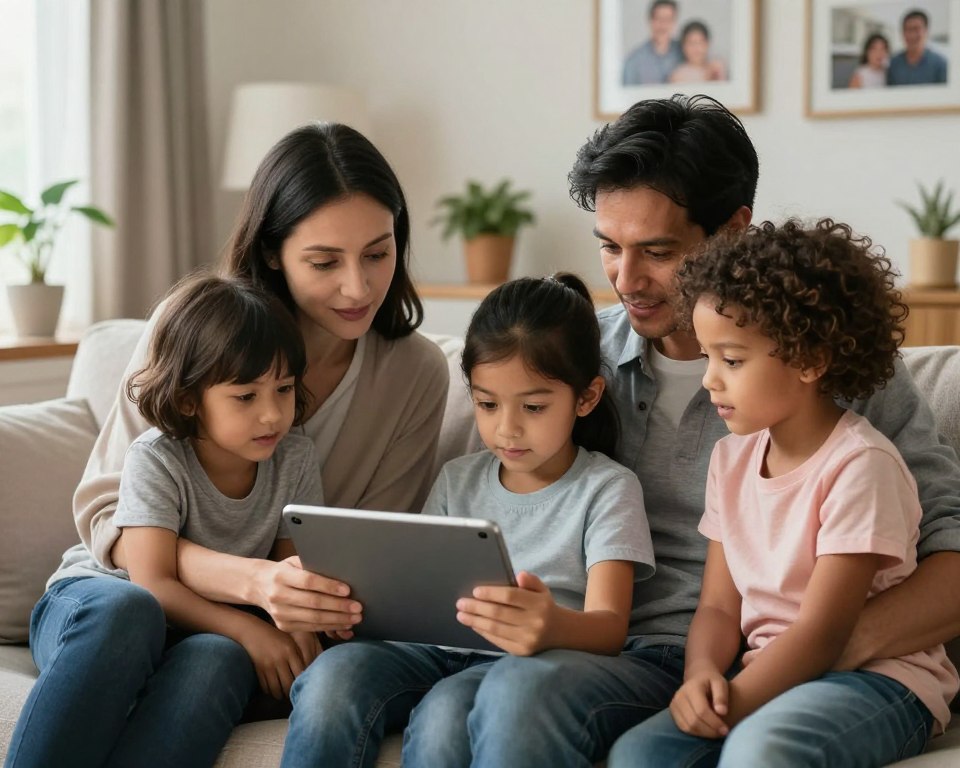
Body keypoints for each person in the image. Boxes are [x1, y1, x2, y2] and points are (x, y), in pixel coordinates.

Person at [448, 94, 960, 767]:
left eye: (657, 251)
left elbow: (948, 555)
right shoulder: (574, 362)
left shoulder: (834, 366)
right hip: (613, 646)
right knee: (455, 707)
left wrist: (807, 655)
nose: (626, 280)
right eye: (609, 246)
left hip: (762, 659)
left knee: (522, 699)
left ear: (732, 230)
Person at [6, 123, 449, 766]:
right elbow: (113, 520)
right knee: (127, 611)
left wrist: (286, 602)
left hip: (234, 639)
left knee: (215, 659)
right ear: (273, 252)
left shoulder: (414, 375)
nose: (358, 287)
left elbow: (359, 553)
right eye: (325, 261)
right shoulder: (191, 332)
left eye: (378, 254)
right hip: (114, 599)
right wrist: (254, 583)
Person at [607, 219, 959, 767]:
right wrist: (701, 676)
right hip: (770, 671)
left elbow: (823, 632)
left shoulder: (861, 466)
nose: (709, 380)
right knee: (641, 753)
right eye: (708, 356)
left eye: (733, 359)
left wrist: (738, 700)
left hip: (878, 682)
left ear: (808, 361)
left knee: (761, 749)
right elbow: (720, 608)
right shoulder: (731, 459)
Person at [279, 273, 656, 768]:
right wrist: (364, 610)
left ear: (585, 398)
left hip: (522, 662)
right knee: (334, 676)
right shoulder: (457, 478)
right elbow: (417, 584)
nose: (507, 428)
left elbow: (609, 629)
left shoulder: (608, 488)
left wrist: (551, 626)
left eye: (534, 406)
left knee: (443, 717)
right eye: (487, 404)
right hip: (432, 649)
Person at [5, 274, 327, 767]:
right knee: (130, 608)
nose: (272, 415)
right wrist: (248, 630)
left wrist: (299, 633)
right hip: (93, 611)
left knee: (220, 659)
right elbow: (153, 583)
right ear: (188, 399)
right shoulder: (157, 458)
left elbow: (293, 572)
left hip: (188, 637)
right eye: (246, 396)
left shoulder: (295, 461)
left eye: (284, 389)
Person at [623, 0, 683, 85]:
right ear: (650, 20)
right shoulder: (634, 61)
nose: (662, 25)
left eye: (667, 19)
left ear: (674, 22)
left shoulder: (685, 52)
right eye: (658, 18)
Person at [887, 9, 948, 86]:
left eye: (916, 29)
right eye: (908, 29)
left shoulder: (940, 65)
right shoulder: (893, 63)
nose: (912, 35)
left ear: (926, 31)